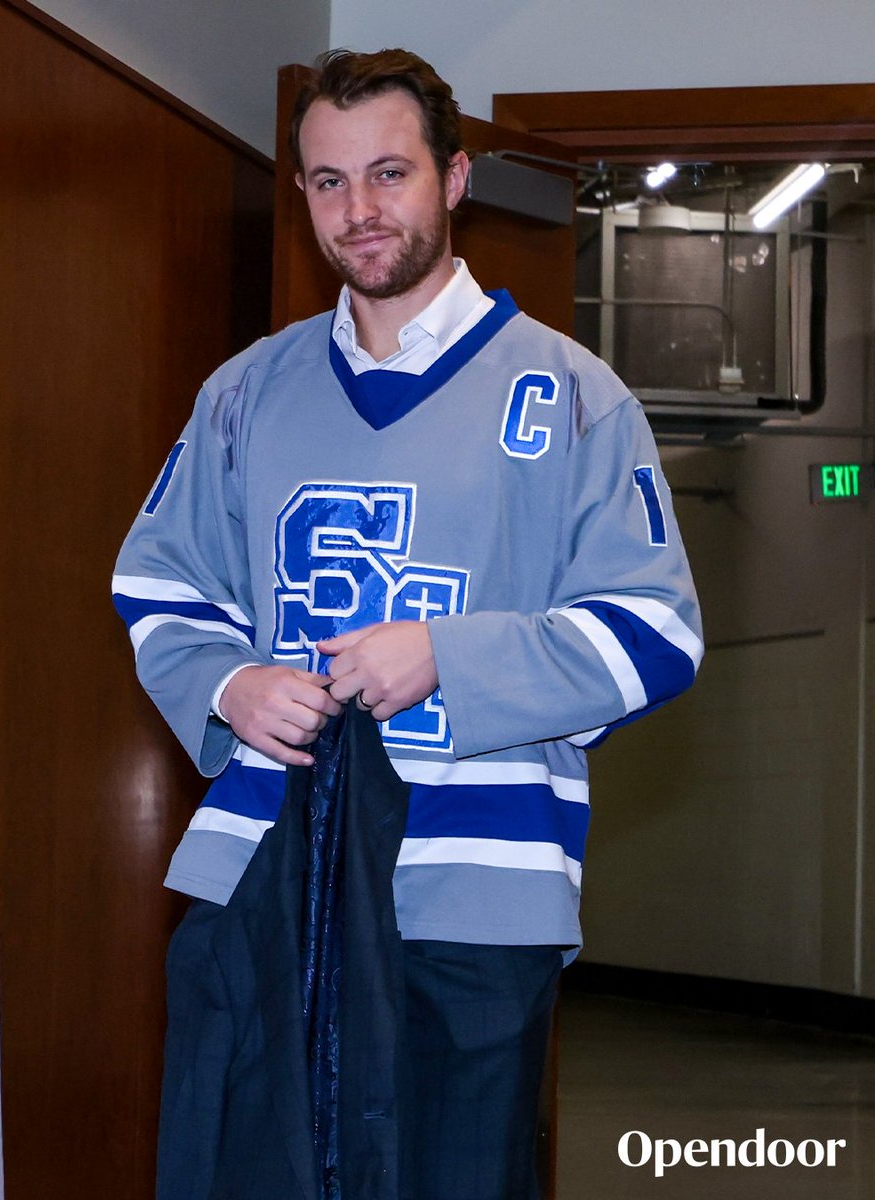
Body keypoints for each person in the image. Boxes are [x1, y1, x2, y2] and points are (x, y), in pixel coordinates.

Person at [113, 47, 702, 1200]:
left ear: (455, 176)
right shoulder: (244, 391)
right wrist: (228, 685)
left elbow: (656, 634)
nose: (360, 210)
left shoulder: (577, 395)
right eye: (328, 182)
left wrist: (451, 655)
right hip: (261, 872)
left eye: (389, 173)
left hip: (475, 892)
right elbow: (159, 582)